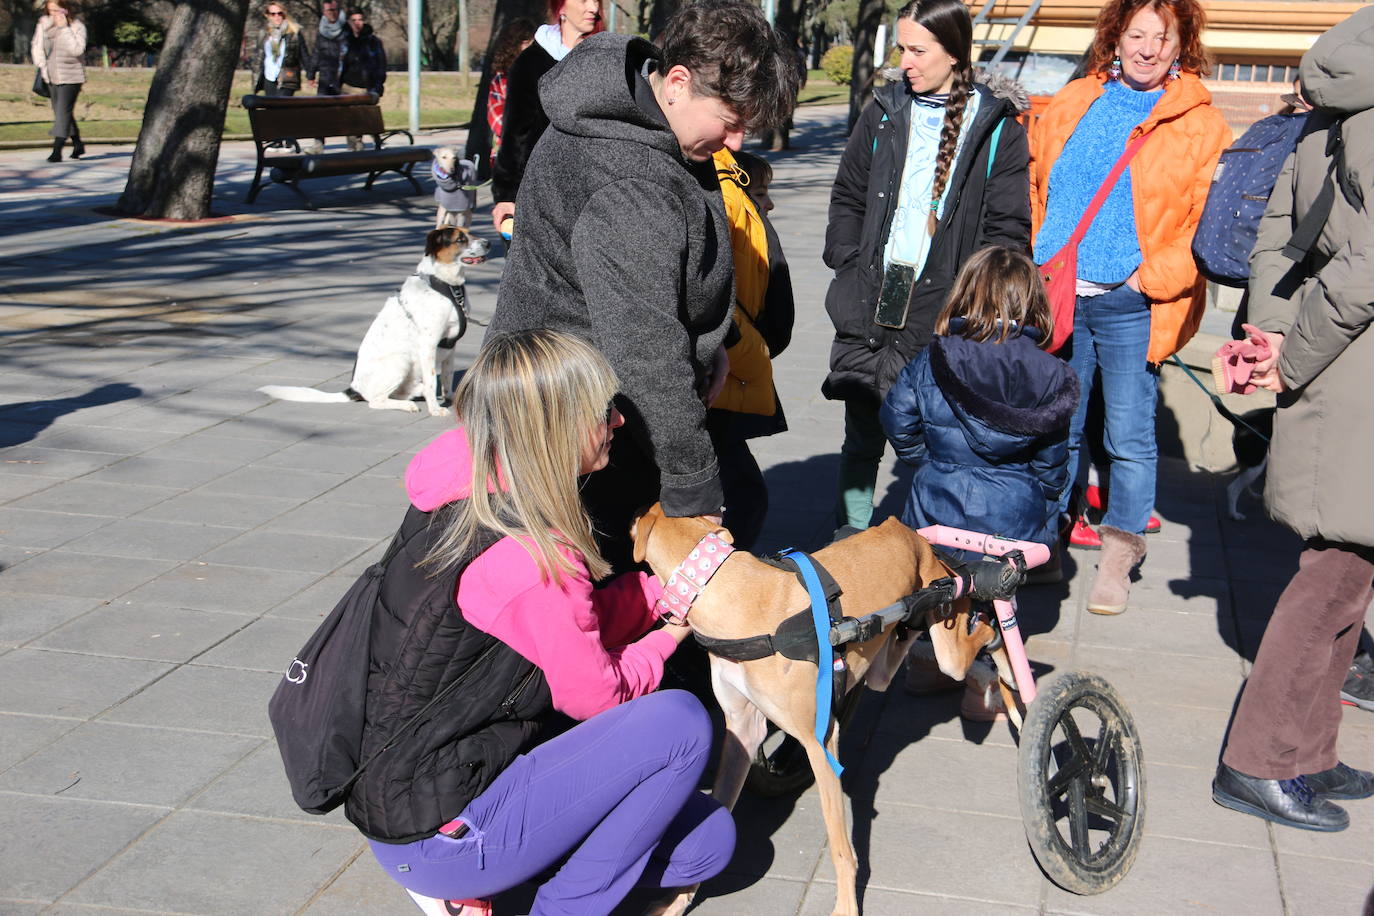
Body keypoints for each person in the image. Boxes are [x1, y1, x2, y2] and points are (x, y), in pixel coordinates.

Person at [353, 329, 735, 915]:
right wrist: (673, 633)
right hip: (439, 826)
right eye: (604, 410)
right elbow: (600, 697)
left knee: (707, 842)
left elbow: (565, 628)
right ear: (557, 428)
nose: (619, 422)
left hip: (426, 779)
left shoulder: (469, 492)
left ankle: (495, 881)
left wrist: (660, 593)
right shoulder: (529, 554)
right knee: (680, 723)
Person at [487, 0, 799, 572]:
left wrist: (719, 337)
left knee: (745, 502)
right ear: (676, 81)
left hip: (605, 402)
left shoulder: (650, 118)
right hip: (580, 423)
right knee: (621, 581)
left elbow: (671, 271)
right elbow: (645, 349)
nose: (734, 142)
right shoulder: (627, 178)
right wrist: (693, 489)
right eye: (729, 120)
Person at [1212, 6, 1374, 833]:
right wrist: (1290, 352)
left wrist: (1274, 333)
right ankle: (1259, 762)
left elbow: (1280, 232)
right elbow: (1364, 271)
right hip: (1354, 379)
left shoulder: (1332, 112)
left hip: (1337, 372)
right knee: (1334, 576)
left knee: (1349, 574)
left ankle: (1308, 752)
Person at [1029, 0, 1229, 614]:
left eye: (1161, 38)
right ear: (1114, 39)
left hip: (1129, 300)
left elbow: (1202, 224)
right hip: (1059, 293)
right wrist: (1039, 263)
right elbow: (1040, 185)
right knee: (1056, 430)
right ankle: (1048, 542)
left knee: (1129, 437)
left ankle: (1119, 554)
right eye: (1135, 34)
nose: (1146, 48)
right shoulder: (1071, 101)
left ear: (1181, 46)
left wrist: (1148, 281)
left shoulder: (1201, 124)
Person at [822, 0, 1032, 534]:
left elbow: (1007, 232)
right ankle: (849, 536)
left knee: (939, 437)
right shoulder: (885, 111)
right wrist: (849, 262)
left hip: (945, 308)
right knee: (862, 425)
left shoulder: (997, 130)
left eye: (918, 50)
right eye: (902, 48)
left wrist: (973, 309)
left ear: (955, 53)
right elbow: (848, 195)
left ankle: (933, 544)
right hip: (876, 290)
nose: (905, 62)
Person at [881, 247, 1078, 718]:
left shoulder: (934, 359)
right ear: (1032, 303)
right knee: (996, 595)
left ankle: (927, 666)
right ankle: (981, 687)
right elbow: (1053, 462)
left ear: (964, 295)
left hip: (937, 503)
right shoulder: (1052, 374)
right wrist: (1046, 500)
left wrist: (922, 460)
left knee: (937, 586)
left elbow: (896, 415)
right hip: (1013, 513)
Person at [707, 148, 795, 550]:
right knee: (744, 497)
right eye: (760, 194)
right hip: (722, 379)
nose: (770, 203)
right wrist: (750, 351)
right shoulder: (727, 206)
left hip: (733, 370)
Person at [489, 0, 604, 234]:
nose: (593, 7)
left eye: (596, 1)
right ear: (560, 7)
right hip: (543, 192)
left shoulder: (609, 59)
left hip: (599, 193)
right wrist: (507, 195)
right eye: (583, 0)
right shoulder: (531, 62)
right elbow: (516, 134)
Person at [464, 17, 537, 184]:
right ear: (513, 46)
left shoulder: (543, 75)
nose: (531, 48)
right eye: (526, 42)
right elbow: (498, 121)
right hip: (510, 157)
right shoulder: (501, 80)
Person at [31, 0, 86, 163]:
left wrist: (64, 29)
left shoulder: (77, 27)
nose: (54, 15)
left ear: (66, 9)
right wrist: (41, 65)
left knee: (62, 112)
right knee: (61, 112)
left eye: (57, 11)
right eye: (50, 11)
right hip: (51, 76)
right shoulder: (44, 25)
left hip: (72, 77)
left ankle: (57, 149)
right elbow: (37, 46)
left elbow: (76, 50)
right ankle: (77, 143)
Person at [339, 8, 387, 151]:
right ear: (349, 22)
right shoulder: (343, 40)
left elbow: (381, 64)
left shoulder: (373, 41)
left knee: (368, 118)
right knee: (351, 119)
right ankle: (355, 146)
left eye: (360, 20)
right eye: (354, 20)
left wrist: (379, 84)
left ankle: (377, 141)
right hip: (348, 85)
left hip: (368, 85)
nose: (357, 23)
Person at [253, 3, 308, 97]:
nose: (277, 16)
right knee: (271, 108)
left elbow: (304, 54)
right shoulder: (264, 33)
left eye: (280, 13)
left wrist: (310, 74)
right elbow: (259, 56)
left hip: (287, 76)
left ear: (284, 14)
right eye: (273, 14)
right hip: (269, 75)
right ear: (268, 15)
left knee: (282, 107)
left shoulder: (294, 33)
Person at [308, 0, 346, 96]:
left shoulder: (347, 29)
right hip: (325, 78)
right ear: (324, 12)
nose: (332, 13)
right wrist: (310, 75)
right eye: (329, 10)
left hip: (343, 78)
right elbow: (316, 54)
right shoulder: (321, 32)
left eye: (334, 10)